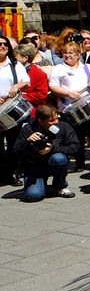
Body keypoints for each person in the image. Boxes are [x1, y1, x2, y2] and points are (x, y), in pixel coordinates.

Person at [48, 41, 90, 171]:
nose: (67, 56)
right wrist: (68, 93)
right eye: (65, 53)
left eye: (71, 53)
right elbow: (53, 86)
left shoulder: (88, 67)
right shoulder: (58, 69)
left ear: (78, 54)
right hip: (70, 108)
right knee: (76, 136)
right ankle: (80, 162)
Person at [12, 105, 78, 201]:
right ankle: (41, 187)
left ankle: (60, 186)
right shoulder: (28, 128)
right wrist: (27, 142)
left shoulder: (63, 126)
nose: (56, 122)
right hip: (35, 166)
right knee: (33, 196)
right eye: (51, 120)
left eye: (56, 118)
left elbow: (75, 147)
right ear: (40, 120)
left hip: (53, 163)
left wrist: (53, 148)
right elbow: (16, 152)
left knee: (59, 158)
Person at [0, 36, 31, 186]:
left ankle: (13, 172)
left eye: (5, 44)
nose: (3, 46)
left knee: (13, 144)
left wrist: (16, 86)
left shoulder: (15, 64)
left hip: (12, 109)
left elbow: (27, 82)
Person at [13, 43, 49, 116]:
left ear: (25, 58)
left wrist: (21, 97)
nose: (12, 60)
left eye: (15, 58)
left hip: (30, 111)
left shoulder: (39, 74)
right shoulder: (10, 70)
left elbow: (41, 95)